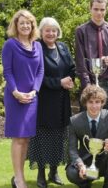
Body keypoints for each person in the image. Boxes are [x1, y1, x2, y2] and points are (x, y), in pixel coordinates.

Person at [27, 17, 75, 188]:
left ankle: (54, 172)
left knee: (59, 138)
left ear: (58, 32)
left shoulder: (62, 47)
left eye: (54, 30)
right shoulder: (36, 47)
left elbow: (71, 67)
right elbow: (36, 75)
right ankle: (41, 174)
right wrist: (58, 82)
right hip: (44, 101)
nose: (51, 33)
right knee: (42, 138)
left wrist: (71, 80)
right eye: (47, 30)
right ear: (41, 31)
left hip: (62, 102)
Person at [2, 10, 44, 188]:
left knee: (26, 138)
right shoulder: (10, 45)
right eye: (22, 23)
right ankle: (19, 179)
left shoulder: (38, 46)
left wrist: (34, 91)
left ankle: (19, 177)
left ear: (32, 25)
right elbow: (7, 71)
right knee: (18, 138)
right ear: (16, 26)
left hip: (31, 98)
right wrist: (16, 92)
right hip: (15, 97)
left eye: (29, 23)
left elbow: (40, 71)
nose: (26, 26)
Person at [75, 0, 108, 113]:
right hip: (89, 84)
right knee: (88, 126)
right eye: (96, 9)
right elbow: (80, 61)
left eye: (102, 9)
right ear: (90, 9)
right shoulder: (81, 31)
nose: (99, 13)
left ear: (106, 10)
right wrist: (87, 86)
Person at [66, 85, 108, 188]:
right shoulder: (74, 121)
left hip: (104, 161)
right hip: (84, 161)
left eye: (97, 102)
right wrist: (80, 165)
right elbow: (72, 149)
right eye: (90, 102)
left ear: (102, 103)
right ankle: (85, 183)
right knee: (72, 173)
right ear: (85, 103)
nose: (94, 106)